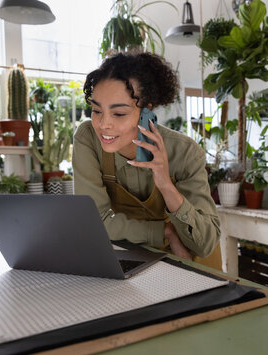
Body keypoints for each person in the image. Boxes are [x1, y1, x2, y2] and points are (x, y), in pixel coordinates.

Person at [72, 52, 220, 264]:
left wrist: (166, 184)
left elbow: (205, 243)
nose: (103, 124)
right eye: (96, 110)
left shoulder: (186, 153)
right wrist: (165, 231)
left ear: (146, 111)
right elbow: (93, 223)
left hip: (192, 264)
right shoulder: (88, 140)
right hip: (136, 263)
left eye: (119, 114)